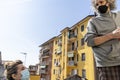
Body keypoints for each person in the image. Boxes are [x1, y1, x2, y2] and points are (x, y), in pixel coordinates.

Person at [84, 0, 120, 80]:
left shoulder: (119, 15)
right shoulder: (93, 21)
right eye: (96, 4)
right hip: (107, 64)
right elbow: (89, 41)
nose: (99, 5)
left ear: (108, 2)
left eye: (101, 2)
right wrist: (112, 35)